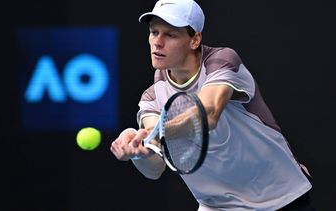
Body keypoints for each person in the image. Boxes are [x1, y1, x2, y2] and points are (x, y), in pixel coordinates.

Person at [110, 0, 314, 210]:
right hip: (217, 206)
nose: (157, 42)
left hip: (280, 198)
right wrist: (137, 150)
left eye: (170, 35)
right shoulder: (151, 98)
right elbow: (154, 169)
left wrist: (157, 133)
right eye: (154, 32)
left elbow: (208, 113)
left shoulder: (222, 61)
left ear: (195, 39)